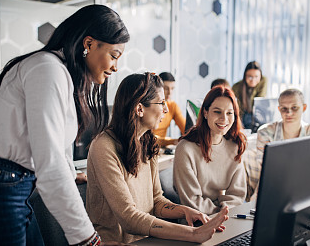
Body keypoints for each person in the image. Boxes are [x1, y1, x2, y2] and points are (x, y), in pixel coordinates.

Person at [0, 4, 129, 245]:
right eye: (114, 55)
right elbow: (50, 161)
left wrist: (70, 173)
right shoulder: (48, 70)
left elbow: (56, 145)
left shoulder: (59, 72)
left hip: (12, 182)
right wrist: (87, 238)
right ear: (89, 44)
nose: (115, 67)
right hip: (0, 184)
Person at [86, 73, 229, 244]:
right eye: (161, 103)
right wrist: (192, 233)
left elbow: (156, 200)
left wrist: (185, 211)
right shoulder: (103, 146)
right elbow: (128, 218)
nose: (166, 109)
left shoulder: (148, 142)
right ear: (139, 109)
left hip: (145, 240)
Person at [173, 85, 247, 215]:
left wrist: (222, 213)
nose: (224, 119)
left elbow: (237, 196)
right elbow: (192, 201)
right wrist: (220, 212)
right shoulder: (185, 149)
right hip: (196, 222)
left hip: (226, 217)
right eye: (217, 112)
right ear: (205, 113)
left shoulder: (235, 146)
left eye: (229, 113)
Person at [247, 89, 310, 199]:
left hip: (306, 192)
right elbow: (268, 172)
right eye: (284, 109)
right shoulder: (265, 132)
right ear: (279, 109)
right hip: (272, 191)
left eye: (294, 108)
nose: (289, 113)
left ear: (304, 108)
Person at [232, 61, 267, 131]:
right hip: (243, 114)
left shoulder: (263, 81)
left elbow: (259, 102)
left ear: (260, 76)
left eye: (256, 77)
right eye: (250, 77)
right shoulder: (237, 87)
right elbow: (236, 108)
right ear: (245, 76)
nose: (253, 80)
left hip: (258, 113)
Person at [153, 72, 185, 147]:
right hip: (148, 146)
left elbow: (186, 129)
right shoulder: (151, 106)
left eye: (172, 89)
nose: (170, 93)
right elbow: (146, 138)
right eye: (166, 88)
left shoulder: (172, 106)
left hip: (162, 148)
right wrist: (172, 141)